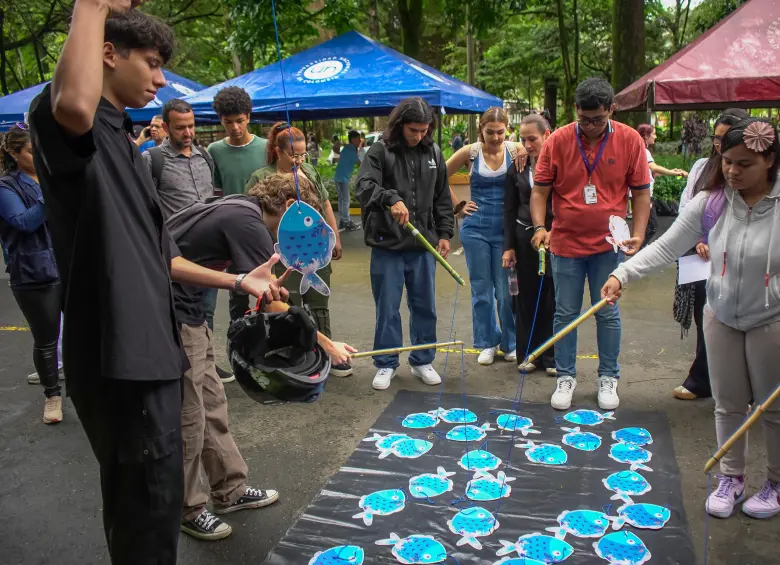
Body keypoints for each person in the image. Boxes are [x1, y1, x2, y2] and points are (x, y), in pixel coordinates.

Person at [29, 7, 284, 564]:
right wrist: (93, 7)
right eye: (152, 63)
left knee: (157, 508)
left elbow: (163, 256)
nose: (162, 78)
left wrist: (240, 277)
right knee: (145, 516)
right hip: (122, 358)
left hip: (155, 352)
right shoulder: (69, 120)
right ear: (106, 53)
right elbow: (72, 102)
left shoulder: (124, 143)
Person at [602, 117, 780, 521]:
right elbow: (667, 247)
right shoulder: (713, 200)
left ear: (769, 160)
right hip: (719, 314)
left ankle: (775, 483)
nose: (732, 171)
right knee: (728, 404)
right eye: (727, 161)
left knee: (772, 409)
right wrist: (621, 273)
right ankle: (730, 478)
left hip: (772, 319)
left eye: (744, 164)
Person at [167, 173, 355, 541]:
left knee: (211, 402)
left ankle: (230, 490)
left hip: (189, 310)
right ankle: (189, 509)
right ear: (289, 207)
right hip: (169, 311)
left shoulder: (240, 205)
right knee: (190, 415)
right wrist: (327, 345)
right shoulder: (249, 225)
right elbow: (275, 305)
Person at [530, 77, 651, 411]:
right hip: (566, 243)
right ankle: (565, 377)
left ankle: (608, 377)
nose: (591, 126)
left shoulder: (630, 140)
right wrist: (540, 225)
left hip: (608, 246)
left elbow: (641, 194)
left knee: (607, 312)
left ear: (611, 110)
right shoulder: (557, 141)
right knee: (566, 313)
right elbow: (540, 190)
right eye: (584, 119)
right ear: (575, 111)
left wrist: (637, 233)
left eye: (598, 119)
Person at [356, 97, 454, 390]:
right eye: (413, 130)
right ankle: (386, 363)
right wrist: (390, 198)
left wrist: (445, 234)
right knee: (387, 307)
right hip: (387, 245)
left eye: (424, 130)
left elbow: (442, 198)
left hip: (423, 244)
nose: (419, 136)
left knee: (425, 306)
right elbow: (363, 187)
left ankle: (423, 360)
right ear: (400, 126)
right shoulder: (380, 151)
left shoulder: (433, 152)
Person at [244, 122, 353, 378]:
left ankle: (327, 352)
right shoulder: (261, 176)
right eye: (294, 154)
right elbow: (256, 218)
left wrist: (334, 237)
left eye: (303, 154)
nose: (299, 159)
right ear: (278, 151)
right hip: (281, 255)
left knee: (318, 301)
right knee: (286, 303)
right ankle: (295, 355)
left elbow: (325, 204)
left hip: (314, 251)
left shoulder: (310, 172)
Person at [142, 98, 234, 383]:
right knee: (177, 313)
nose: (188, 133)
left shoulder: (205, 156)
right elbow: (145, 205)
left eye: (191, 126)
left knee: (207, 308)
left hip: (206, 252)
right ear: (167, 128)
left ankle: (205, 361)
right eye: (181, 128)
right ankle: (179, 363)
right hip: (174, 252)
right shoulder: (153, 159)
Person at [673, 108, 749, 401]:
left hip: (742, 261)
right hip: (701, 260)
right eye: (717, 139)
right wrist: (697, 240)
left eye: (726, 138)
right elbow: (687, 208)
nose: (720, 145)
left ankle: (745, 384)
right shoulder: (701, 167)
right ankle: (702, 378)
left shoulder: (758, 173)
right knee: (706, 316)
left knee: (740, 322)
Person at [446, 107, 528, 365]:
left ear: (507, 130)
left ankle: (510, 342)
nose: (495, 137)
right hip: (476, 228)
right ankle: (487, 342)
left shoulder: (515, 150)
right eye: (490, 132)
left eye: (500, 132)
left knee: (506, 292)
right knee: (482, 289)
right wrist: (457, 206)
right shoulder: (469, 152)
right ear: (481, 129)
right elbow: (438, 177)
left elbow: (541, 155)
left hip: (506, 229)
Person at [0, 124, 63, 424]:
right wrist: (49, 192)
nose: (38, 155)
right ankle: (52, 396)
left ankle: (86, 388)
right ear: (14, 153)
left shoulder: (50, 177)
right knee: (47, 338)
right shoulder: (6, 187)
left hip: (68, 264)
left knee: (84, 331)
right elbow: (23, 222)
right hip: (34, 273)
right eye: (30, 151)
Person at [502, 114, 556, 374]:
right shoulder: (518, 167)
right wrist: (509, 246)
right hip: (525, 240)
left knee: (553, 298)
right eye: (523, 139)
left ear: (548, 134)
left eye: (532, 139)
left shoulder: (562, 163)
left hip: (556, 238)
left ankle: (552, 357)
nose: (527, 145)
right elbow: (509, 209)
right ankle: (528, 354)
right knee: (525, 298)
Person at [208, 86, 267, 196]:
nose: (235, 127)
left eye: (239, 121)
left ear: (248, 117)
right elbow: (217, 190)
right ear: (221, 120)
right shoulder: (214, 151)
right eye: (228, 122)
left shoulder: (267, 147)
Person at [636, 124, 688, 247]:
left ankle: (640, 251)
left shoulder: (640, 150)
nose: (655, 136)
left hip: (645, 195)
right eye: (653, 133)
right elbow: (653, 167)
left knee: (649, 227)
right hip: (645, 195)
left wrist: (671, 172)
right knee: (652, 227)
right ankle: (639, 251)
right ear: (646, 135)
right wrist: (674, 173)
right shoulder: (644, 150)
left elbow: (650, 171)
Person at [334, 130, 362, 231]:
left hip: (338, 177)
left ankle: (343, 220)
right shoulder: (350, 150)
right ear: (353, 139)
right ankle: (346, 221)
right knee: (345, 200)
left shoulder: (347, 148)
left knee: (342, 199)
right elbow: (359, 163)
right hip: (343, 178)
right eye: (358, 139)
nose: (360, 141)